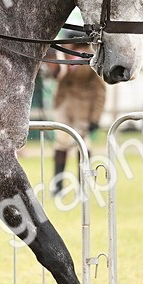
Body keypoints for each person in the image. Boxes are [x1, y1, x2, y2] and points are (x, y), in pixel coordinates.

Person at [48, 60, 107, 193]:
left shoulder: (92, 59)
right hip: (63, 108)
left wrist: (95, 118)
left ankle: (84, 185)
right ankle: (57, 186)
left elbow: (100, 92)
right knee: (60, 144)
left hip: (82, 111)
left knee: (83, 147)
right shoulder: (62, 54)